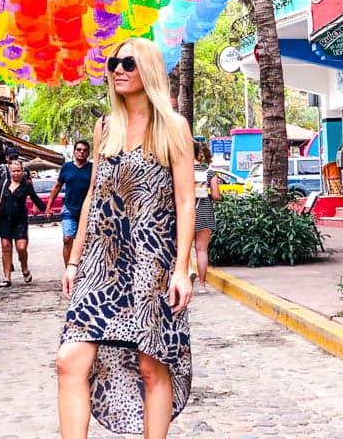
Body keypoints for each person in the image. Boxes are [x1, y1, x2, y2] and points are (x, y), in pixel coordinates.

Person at [57, 37, 195, 438]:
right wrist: (73, 261)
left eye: (128, 63)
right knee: (69, 360)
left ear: (148, 70)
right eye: (114, 62)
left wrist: (182, 269)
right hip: (102, 263)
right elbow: (90, 201)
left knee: (151, 366)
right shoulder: (106, 128)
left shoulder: (173, 127)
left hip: (152, 264)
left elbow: (187, 201)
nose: (117, 69)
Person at [0, 158, 46, 288]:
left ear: (22, 171)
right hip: (4, 219)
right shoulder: (5, 183)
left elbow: (35, 199)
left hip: (20, 220)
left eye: (18, 171)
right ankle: (7, 278)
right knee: (6, 248)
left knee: (21, 247)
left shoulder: (26, 185)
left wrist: (46, 210)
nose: (16, 173)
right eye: (14, 171)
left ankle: (24, 268)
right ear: (10, 171)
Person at [46, 140, 92, 266]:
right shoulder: (67, 167)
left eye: (84, 150)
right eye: (79, 150)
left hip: (87, 210)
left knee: (86, 242)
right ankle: (68, 269)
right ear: (74, 152)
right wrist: (48, 206)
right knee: (67, 239)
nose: (81, 152)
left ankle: (83, 269)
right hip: (69, 208)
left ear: (88, 153)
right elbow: (57, 187)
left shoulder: (92, 169)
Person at [193, 143, 221, 294]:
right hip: (204, 212)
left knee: (180, 250)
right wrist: (206, 194)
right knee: (202, 250)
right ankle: (202, 285)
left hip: (187, 214)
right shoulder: (210, 172)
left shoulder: (181, 171)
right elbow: (216, 196)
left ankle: (186, 277)